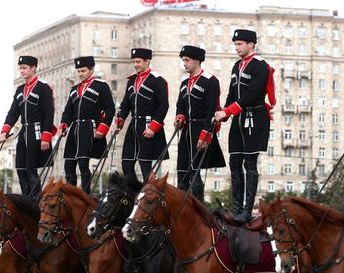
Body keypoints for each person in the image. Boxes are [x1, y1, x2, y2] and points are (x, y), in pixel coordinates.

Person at [214, 29, 276, 224]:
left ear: (251, 44)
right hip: (238, 119)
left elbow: (254, 93)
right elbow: (233, 92)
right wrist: (223, 113)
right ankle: (236, 208)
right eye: (235, 44)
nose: (237, 47)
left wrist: (229, 111)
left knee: (249, 163)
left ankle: (247, 211)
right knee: (234, 162)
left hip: (254, 118)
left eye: (240, 44)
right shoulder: (236, 66)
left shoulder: (260, 66)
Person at [173, 45, 225, 201]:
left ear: (197, 60)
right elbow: (180, 106)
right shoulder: (184, 83)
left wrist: (205, 135)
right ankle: (181, 204)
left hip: (201, 129)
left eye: (187, 60)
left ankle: (198, 206)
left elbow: (212, 109)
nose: (185, 63)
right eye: (183, 60)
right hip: (186, 131)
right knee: (182, 170)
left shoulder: (210, 81)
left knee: (194, 171)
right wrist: (179, 117)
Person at [59, 56, 115, 194]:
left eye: (83, 71)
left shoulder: (101, 86)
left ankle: (85, 196)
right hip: (75, 130)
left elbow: (110, 109)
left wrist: (103, 127)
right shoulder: (74, 89)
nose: (80, 74)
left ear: (91, 69)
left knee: (83, 164)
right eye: (78, 71)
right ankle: (71, 196)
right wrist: (64, 125)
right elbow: (68, 111)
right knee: (69, 165)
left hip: (90, 128)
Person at [0, 55, 54, 198]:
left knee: (31, 169)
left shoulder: (43, 88)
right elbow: (13, 112)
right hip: (24, 132)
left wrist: (46, 137)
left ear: (33, 68)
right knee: (21, 169)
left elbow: (49, 112)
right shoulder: (20, 90)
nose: (22, 71)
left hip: (37, 131)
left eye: (24, 68)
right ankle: (27, 200)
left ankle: (36, 201)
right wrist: (5, 131)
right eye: (20, 69)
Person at [116, 48, 169, 182]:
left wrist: (153, 127)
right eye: (134, 61)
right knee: (126, 163)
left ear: (147, 61)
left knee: (145, 165)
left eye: (138, 61)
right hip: (133, 126)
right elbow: (125, 104)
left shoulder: (157, 81)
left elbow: (163, 106)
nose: (135, 65)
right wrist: (120, 118)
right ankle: (135, 193)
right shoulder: (131, 81)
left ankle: (150, 196)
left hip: (148, 126)